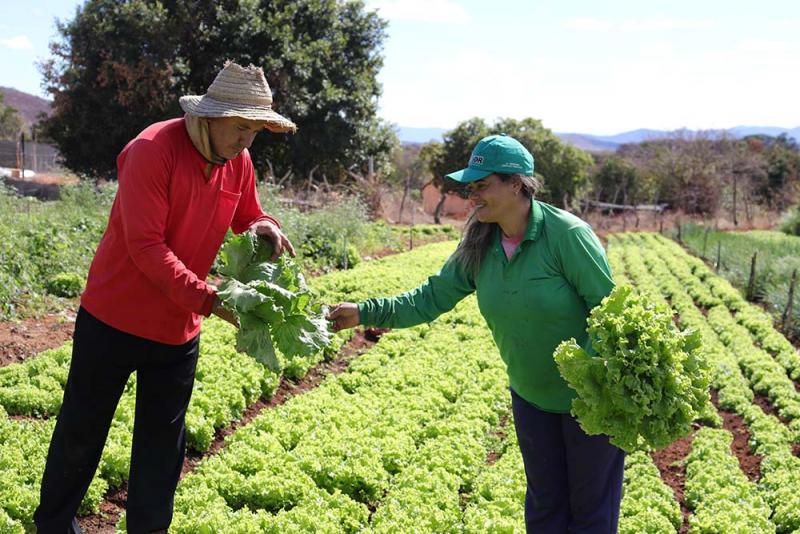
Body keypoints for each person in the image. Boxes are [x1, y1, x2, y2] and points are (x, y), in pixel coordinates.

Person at [33, 61, 297, 534]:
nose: (245, 141)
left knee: (161, 448)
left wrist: (265, 226)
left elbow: (249, 213)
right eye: (240, 128)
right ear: (210, 117)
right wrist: (211, 300)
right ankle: (53, 526)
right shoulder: (153, 150)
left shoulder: (238, 161)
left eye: (254, 131)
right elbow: (146, 248)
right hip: (114, 317)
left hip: (177, 329)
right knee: (82, 432)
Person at [328, 134, 624, 533]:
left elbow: (610, 313)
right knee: (544, 510)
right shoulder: (480, 244)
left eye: (482, 185)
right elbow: (429, 298)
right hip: (531, 399)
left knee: (590, 515)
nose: (473, 196)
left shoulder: (566, 236)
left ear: (516, 184)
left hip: (589, 405)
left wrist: (594, 387)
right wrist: (364, 311)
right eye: (470, 188)